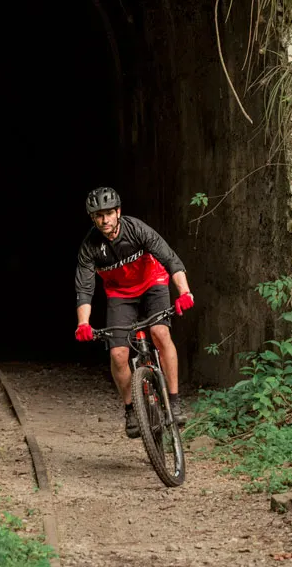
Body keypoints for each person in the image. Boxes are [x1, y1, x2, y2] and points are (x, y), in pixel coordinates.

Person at [74, 186, 195, 438]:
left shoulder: (137, 229)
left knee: (160, 333)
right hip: (120, 295)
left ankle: (173, 400)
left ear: (118, 212)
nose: (104, 220)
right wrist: (83, 323)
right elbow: (85, 288)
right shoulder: (90, 247)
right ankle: (130, 409)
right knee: (118, 354)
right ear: (92, 218)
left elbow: (170, 258)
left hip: (153, 283)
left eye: (108, 213)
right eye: (98, 215)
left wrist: (184, 293)